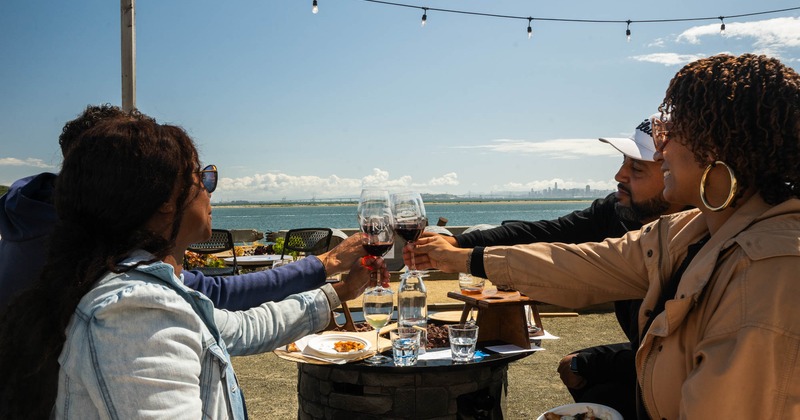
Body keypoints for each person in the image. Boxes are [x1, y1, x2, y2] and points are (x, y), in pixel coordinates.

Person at [406, 54, 800, 418]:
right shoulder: (691, 230)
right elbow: (586, 263)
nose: (662, 146)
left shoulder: (766, 274)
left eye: (673, 133)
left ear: (717, 151)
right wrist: (461, 257)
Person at [0, 117, 386, 419]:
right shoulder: (136, 314)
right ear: (165, 202)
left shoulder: (141, 286)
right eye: (202, 177)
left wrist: (341, 291)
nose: (210, 189)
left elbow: (244, 328)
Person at [431, 114, 684, 419]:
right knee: (578, 370)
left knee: (587, 368)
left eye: (637, 168)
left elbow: (572, 269)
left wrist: (468, 259)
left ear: (675, 174)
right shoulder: (618, 212)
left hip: (681, 366)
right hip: (644, 352)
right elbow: (547, 232)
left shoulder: (697, 239)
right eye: (622, 162)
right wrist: (460, 244)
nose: (620, 175)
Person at [0, 104, 365, 312]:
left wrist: (330, 277)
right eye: (199, 176)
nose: (207, 190)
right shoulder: (120, 287)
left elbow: (217, 304)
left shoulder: (60, 231)